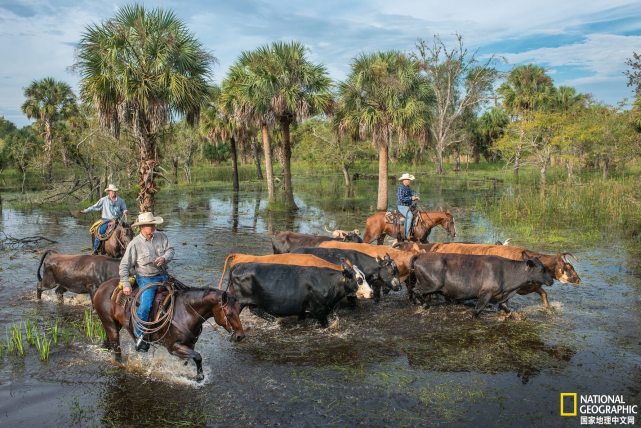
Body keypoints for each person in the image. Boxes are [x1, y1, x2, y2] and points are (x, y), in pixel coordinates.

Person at [119, 212, 175, 352]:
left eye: (154, 224)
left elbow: (171, 250)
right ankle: (140, 336)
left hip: (163, 275)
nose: (153, 226)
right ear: (142, 227)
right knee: (145, 305)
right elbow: (124, 265)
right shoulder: (134, 244)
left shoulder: (162, 236)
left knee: (181, 294)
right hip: (146, 278)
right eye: (150, 225)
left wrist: (164, 258)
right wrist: (126, 284)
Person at [81, 184, 128, 254]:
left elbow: (124, 208)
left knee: (128, 231)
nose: (113, 193)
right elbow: (95, 207)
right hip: (106, 220)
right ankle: (95, 250)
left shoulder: (121, 201)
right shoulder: (103, 200)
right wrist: (86, 210)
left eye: (114, 191)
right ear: (108, 192)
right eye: (112, 191)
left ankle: (129, 248)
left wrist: (125, 211)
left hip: (118, 220)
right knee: (100, 233)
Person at [396, 173, 419, 240]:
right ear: (404, 180)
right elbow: (401, 198)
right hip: (402, 206)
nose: (409, 181)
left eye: (409, 180)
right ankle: (406, 234)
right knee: (410, 216)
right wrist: (411, 198)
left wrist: (416, 196)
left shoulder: (408, 187)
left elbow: (412, 193)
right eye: (408, 180)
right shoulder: (401, 188)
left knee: (418, 214)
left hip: (408, 206)